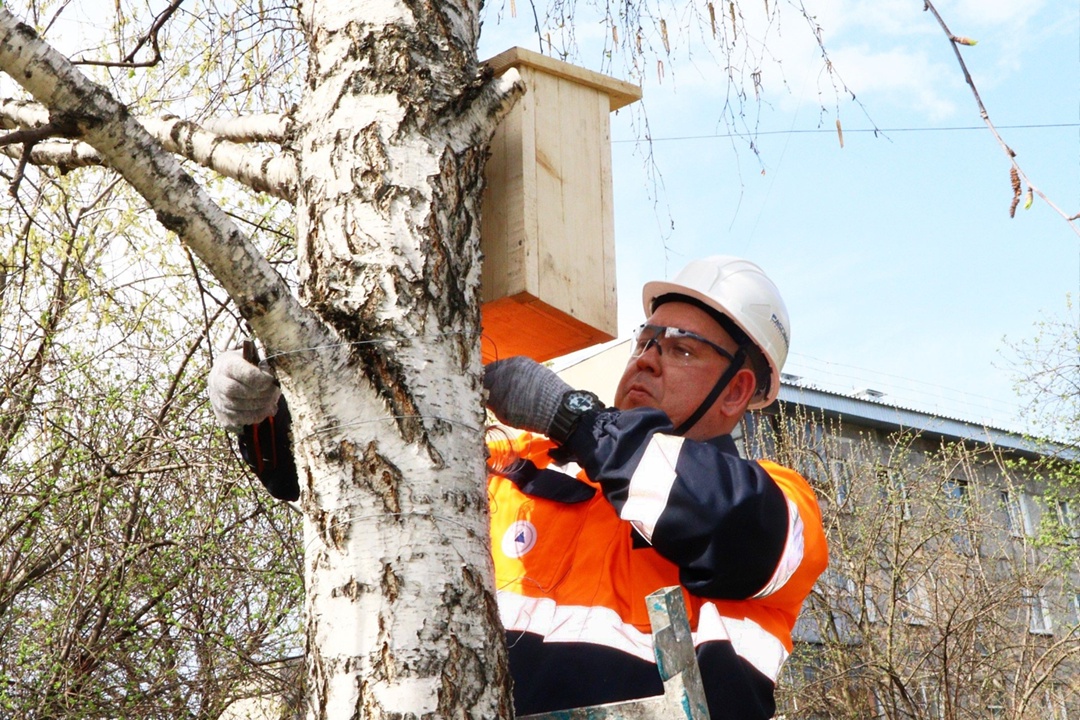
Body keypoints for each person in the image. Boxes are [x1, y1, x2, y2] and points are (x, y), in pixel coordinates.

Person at [208, 255, 828, 719]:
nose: (645, 358)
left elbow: (719, 518)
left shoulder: (780, 504)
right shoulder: (524, 463)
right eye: (646, 340)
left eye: (681, 348)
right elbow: (356, 476)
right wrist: (266, 406)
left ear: (739, 391)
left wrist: (577, 417)